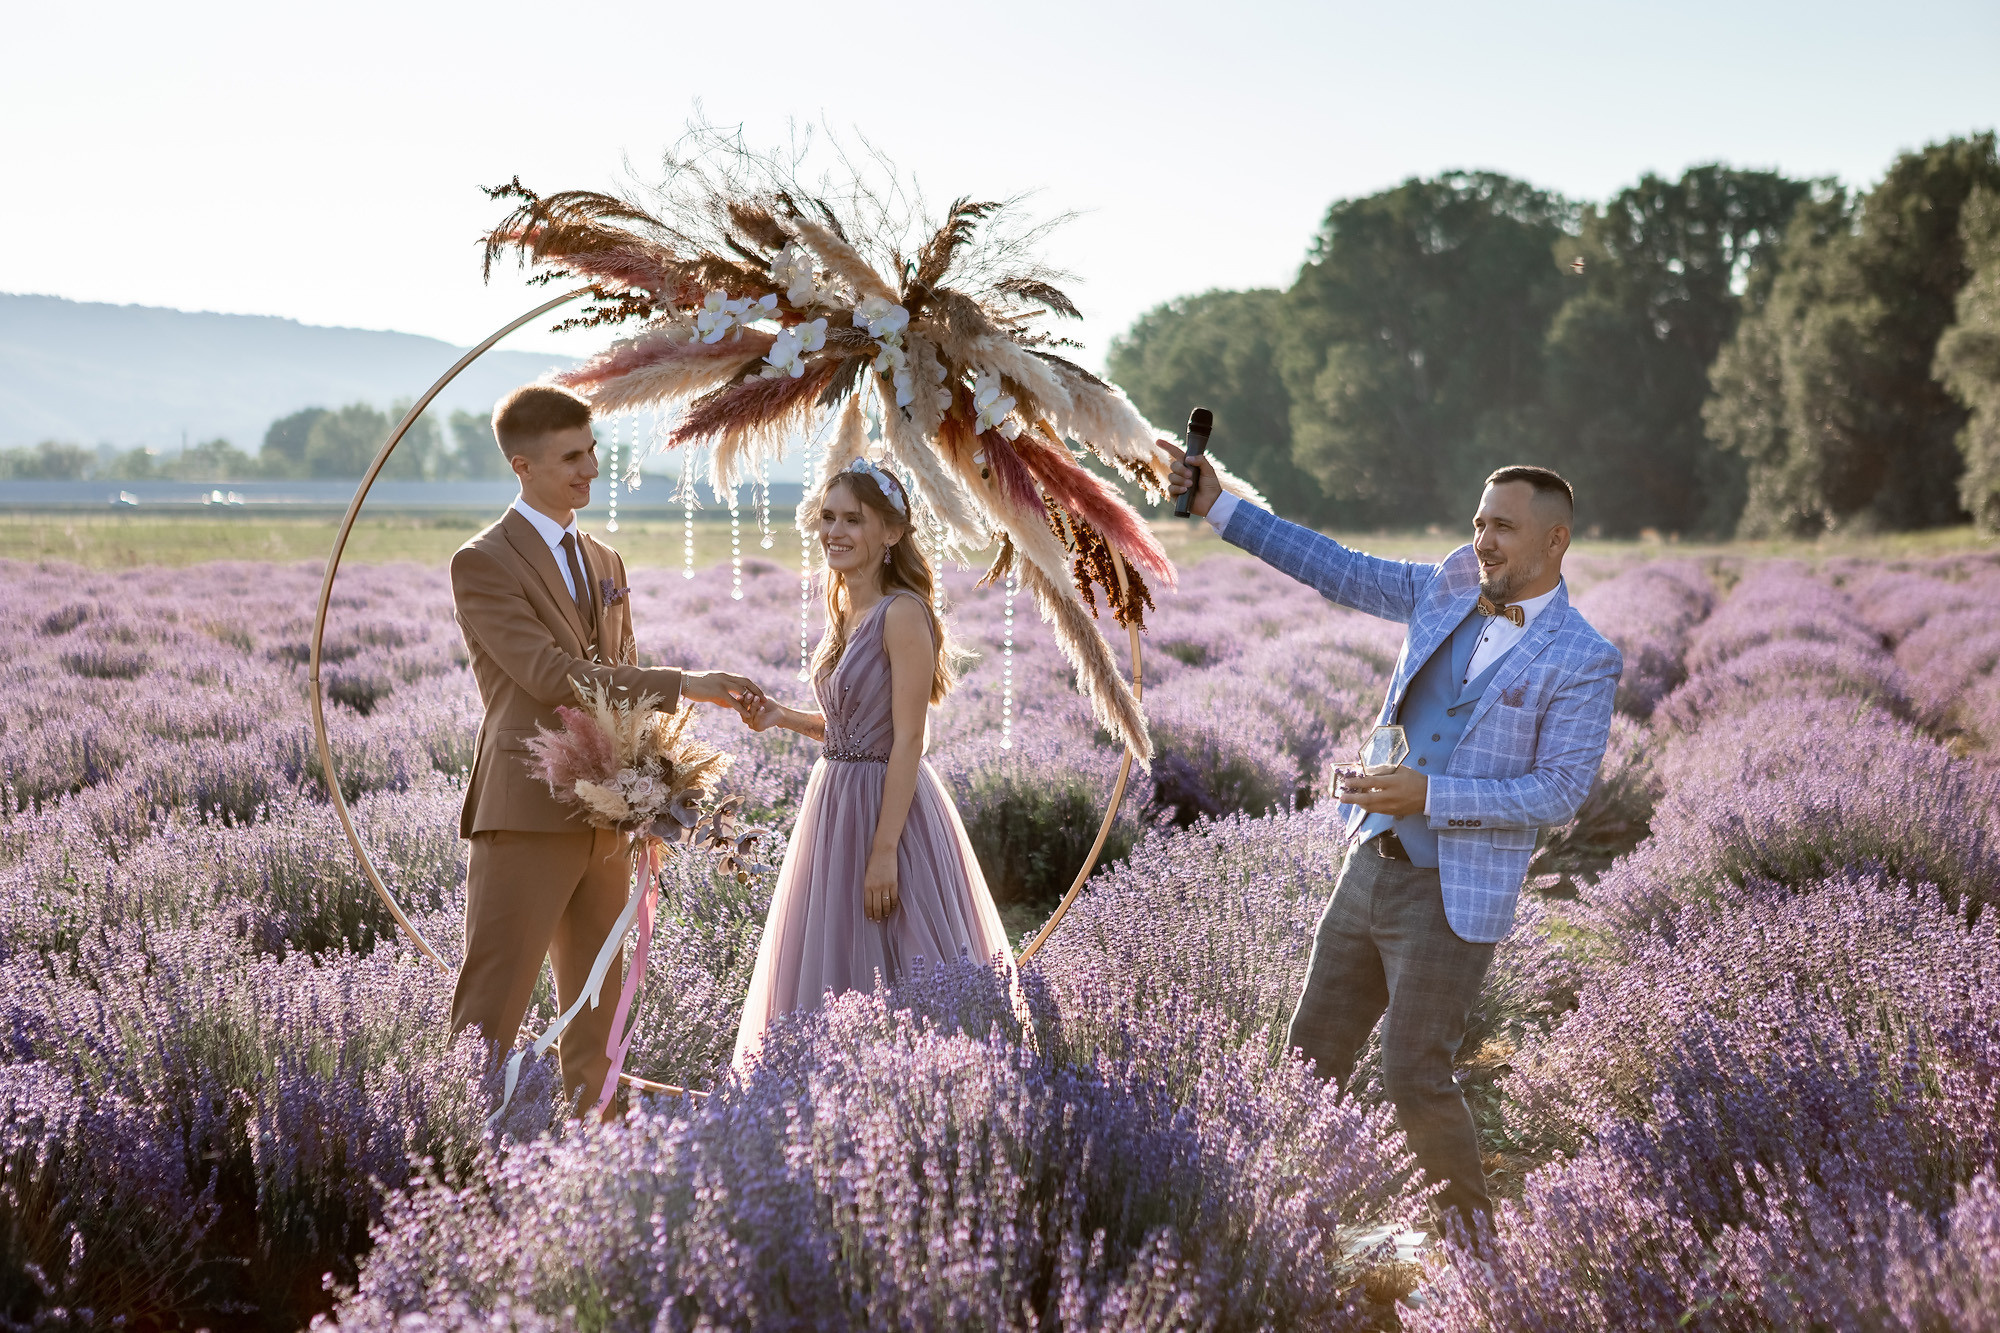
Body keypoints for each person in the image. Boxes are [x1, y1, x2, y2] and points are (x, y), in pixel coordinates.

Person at [1168, 445, 1619, 1237]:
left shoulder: (1585, 657)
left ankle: (1476, 1256)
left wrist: (1433, 796)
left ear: (1556, 542)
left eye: (1504, 528)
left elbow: (1559, 790)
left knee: (1413, 1073)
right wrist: (1218, 504)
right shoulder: (1446, 585)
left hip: (1451, 894)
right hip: (1367, 866)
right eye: (1480, 522)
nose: (1484, 540)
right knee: (1307, 1062)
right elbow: (1335, 566)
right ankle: (1278, 1227)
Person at [448, 383, 762, 1114]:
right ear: (521, 465)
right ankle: (457, 1152)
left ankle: (603, 1155)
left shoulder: (605, 558)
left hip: (612, 815)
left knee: (601, 1012)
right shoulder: (483, 562)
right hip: (526, 811)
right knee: (492, 1005)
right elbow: (550, 675)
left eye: (593, 452)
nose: (589, 469)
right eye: (570, 458)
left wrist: (654, 781)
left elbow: (618, 666)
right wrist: (689, 685)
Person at [730, 457, 1013, 1065]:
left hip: (890, 811)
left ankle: (934, 1086)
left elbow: (909, 739)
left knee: (903, 953)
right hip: (833, 804)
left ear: (890, 532)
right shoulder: (843, 611)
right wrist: (782, 716)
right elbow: (850, 730)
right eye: (827, 517)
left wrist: (885, 850)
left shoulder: (903, 613)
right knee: (831, 955)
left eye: (852, 520)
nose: (835, 531)